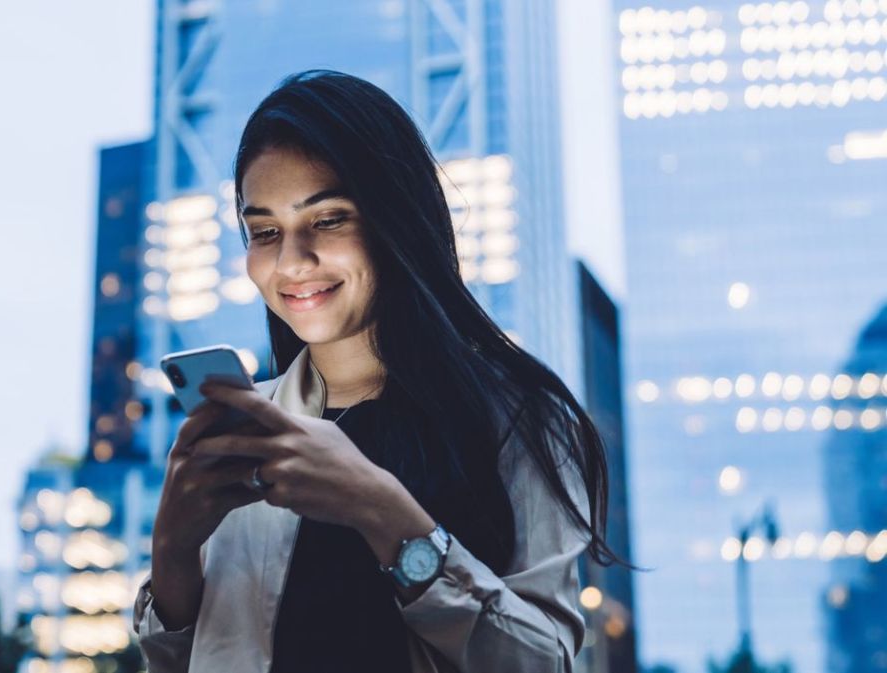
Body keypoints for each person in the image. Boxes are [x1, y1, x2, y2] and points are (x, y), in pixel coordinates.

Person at [132, 70, 625, 673]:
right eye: (264, 231)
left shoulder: (522, 421)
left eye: (329, 219)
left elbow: (546, 665)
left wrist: (385, 513)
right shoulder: (245, 432)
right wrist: (172, 552)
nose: (292, 261)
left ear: (394, 217)